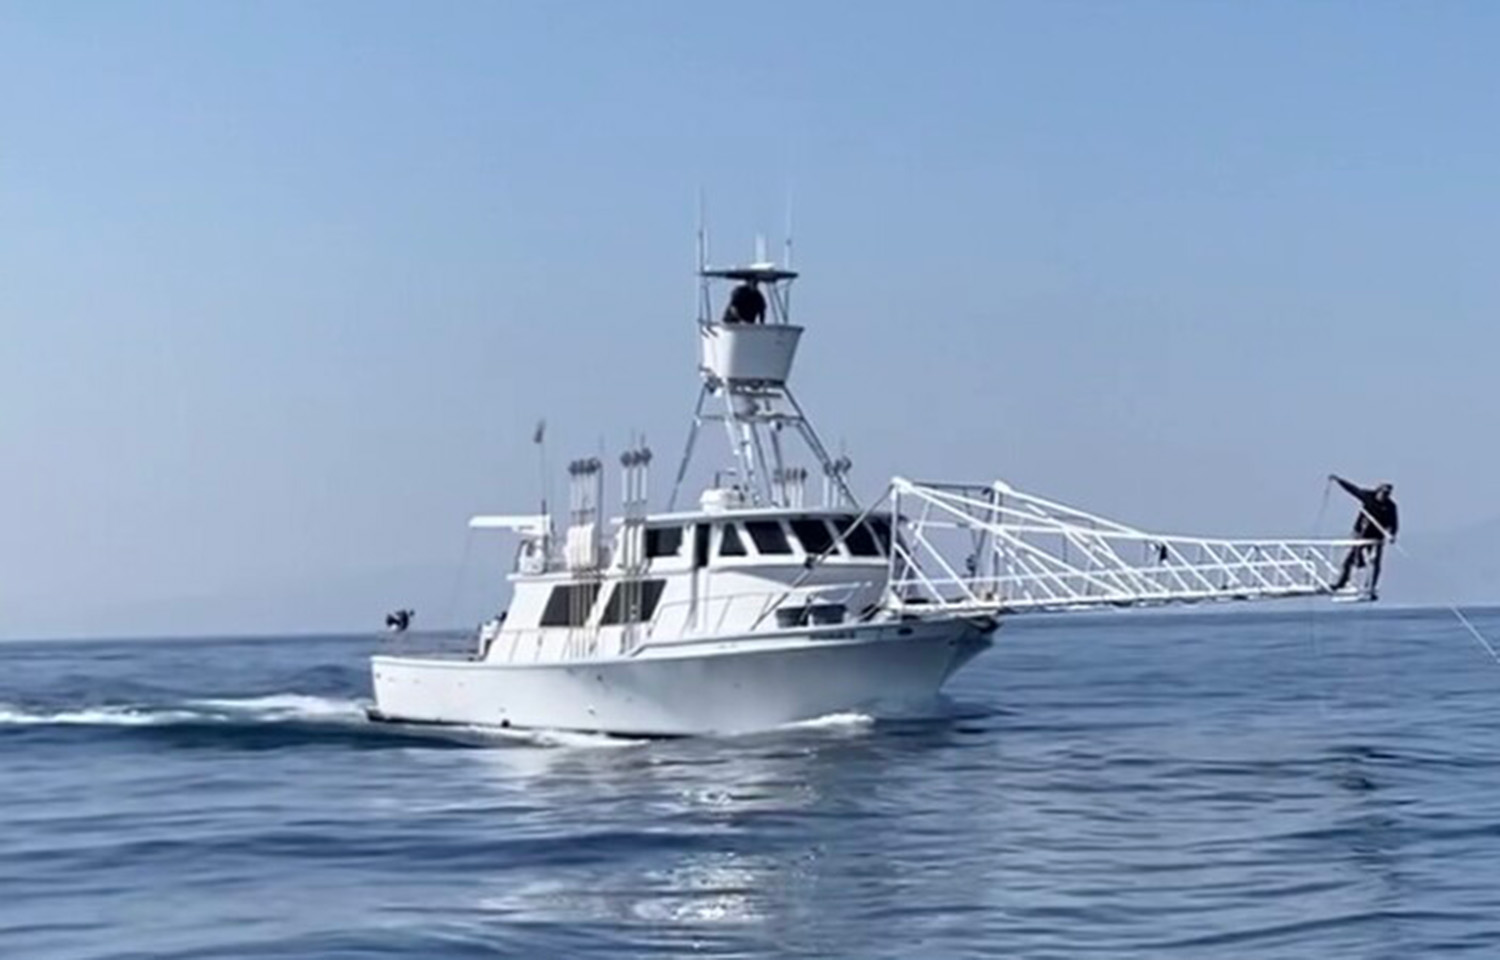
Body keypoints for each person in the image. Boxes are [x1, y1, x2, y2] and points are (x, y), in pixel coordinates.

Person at [1328, 475, 1398, 596]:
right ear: (1378, 491)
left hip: (1377, 537)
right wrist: (1339, 480)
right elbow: (1353, 489)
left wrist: (1392, 535)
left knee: (1375, 562)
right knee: (1349, 559)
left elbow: (1394, 524)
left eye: (1387, 494)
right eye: (1383, 493)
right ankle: (1341, 582)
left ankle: (1371, 586)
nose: (1385, 496)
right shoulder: (1368, 497)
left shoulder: (1391, 507)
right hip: (1361, 534)